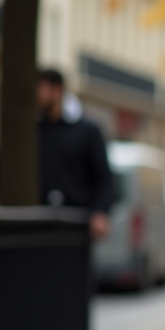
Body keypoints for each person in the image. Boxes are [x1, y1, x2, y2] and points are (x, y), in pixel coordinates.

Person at [35, 69, 113, 238]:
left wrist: (100, 212)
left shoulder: (87, 131)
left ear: (57, 90)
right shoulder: (33, 129)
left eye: (41, 88)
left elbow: (103, 177)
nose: (36, 94)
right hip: (38, 224)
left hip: (76, 225)